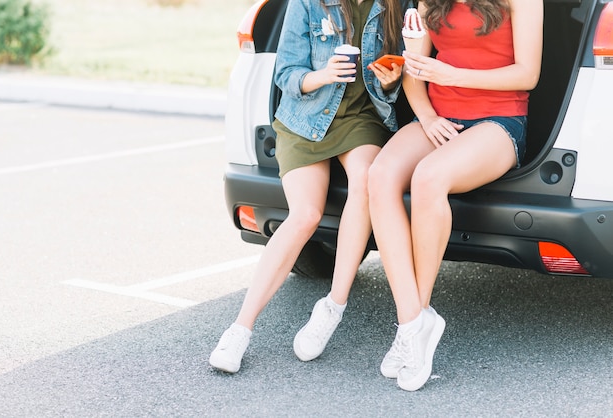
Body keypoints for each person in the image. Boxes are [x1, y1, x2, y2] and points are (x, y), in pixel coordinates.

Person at [210, 0, 407, 373]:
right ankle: (240, 328)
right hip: (305, 118)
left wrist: (391, 82)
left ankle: (332, 305)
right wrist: (325, 74)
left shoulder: (393, 6)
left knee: (365, 180)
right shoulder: (308, 3)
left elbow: (396, 85)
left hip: (361, 120)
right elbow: (286, 74)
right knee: (305, 216)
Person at [368, 0, 543, 391]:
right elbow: (417, 70)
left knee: (429, 177)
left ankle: (416, 324)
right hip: (440, 116)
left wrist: (452, 73)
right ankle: (413, 321)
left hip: (499, 120)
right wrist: (427, 116)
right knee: (379, 175)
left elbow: (527, 74)